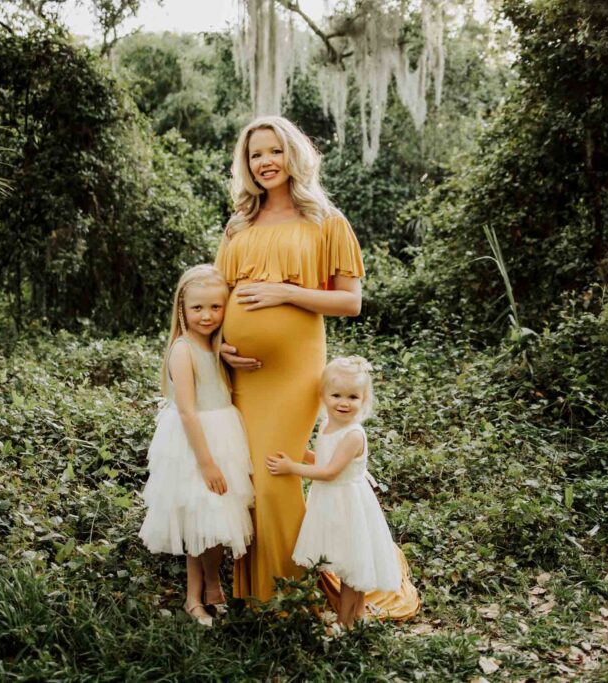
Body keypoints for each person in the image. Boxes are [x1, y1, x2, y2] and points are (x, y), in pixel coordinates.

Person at [215, 115, 419, 620]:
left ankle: (290, 597)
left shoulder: (328, 222)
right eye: (255, 154)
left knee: (276, 474)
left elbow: (350, 302)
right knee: (247, 474)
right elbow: (212, 300)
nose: (265, 162)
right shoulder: (238, 225)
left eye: (275, 151)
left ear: (294, 156)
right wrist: (219, 344)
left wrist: (285, 292)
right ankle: (256, 591)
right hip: (242, 373)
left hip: (294, 371)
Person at [138, 264, 255, 626]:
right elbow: (188, 412)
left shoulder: (213, 346)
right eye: (198, 308)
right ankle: (193, 598)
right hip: (196, 443)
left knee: (218, 518)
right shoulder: (183, 350)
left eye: (216, 307)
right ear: (181, 309)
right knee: (198, 519)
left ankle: (213, 588)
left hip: (225, 434)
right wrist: (206, 463)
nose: (207, 316)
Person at [266, 357, 401, 628]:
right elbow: (326, 458)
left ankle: (345, 621)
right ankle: (357, 613)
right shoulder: (329, 423)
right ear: (322, 395)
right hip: (332, 499)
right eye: (336, 395)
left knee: (352, 564)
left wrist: (291, 467)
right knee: (347, 559)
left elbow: (330, 471)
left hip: (347, 501)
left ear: (364, 399)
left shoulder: (353, 434)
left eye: (353, 396)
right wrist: (303, 454)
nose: (343, 402)